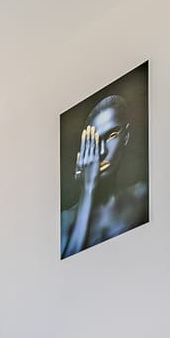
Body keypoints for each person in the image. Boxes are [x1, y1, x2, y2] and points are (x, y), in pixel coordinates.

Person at [60, 94, 147, 257]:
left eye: (111, 136)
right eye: (93, 143)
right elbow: (69, 266)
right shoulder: (65, 221)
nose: (101, 152)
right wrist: (88, 190)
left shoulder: (142, 198)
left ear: (126, 136)